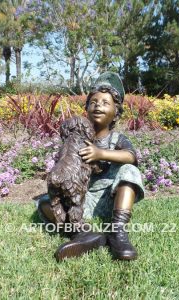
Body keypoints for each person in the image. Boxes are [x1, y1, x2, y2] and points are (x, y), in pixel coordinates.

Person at [37, 72, 145, 261]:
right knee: (45, 203)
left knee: (130, 171)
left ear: (116, 114)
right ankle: (83, 234)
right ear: (86, 108)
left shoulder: (116, 139)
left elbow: (131, 156)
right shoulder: (76, 138)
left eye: (105, 103)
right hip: (82, 200)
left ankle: (117, 232)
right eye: (93, 102)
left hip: (110, 198)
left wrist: (100, 153)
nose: (98, 106)